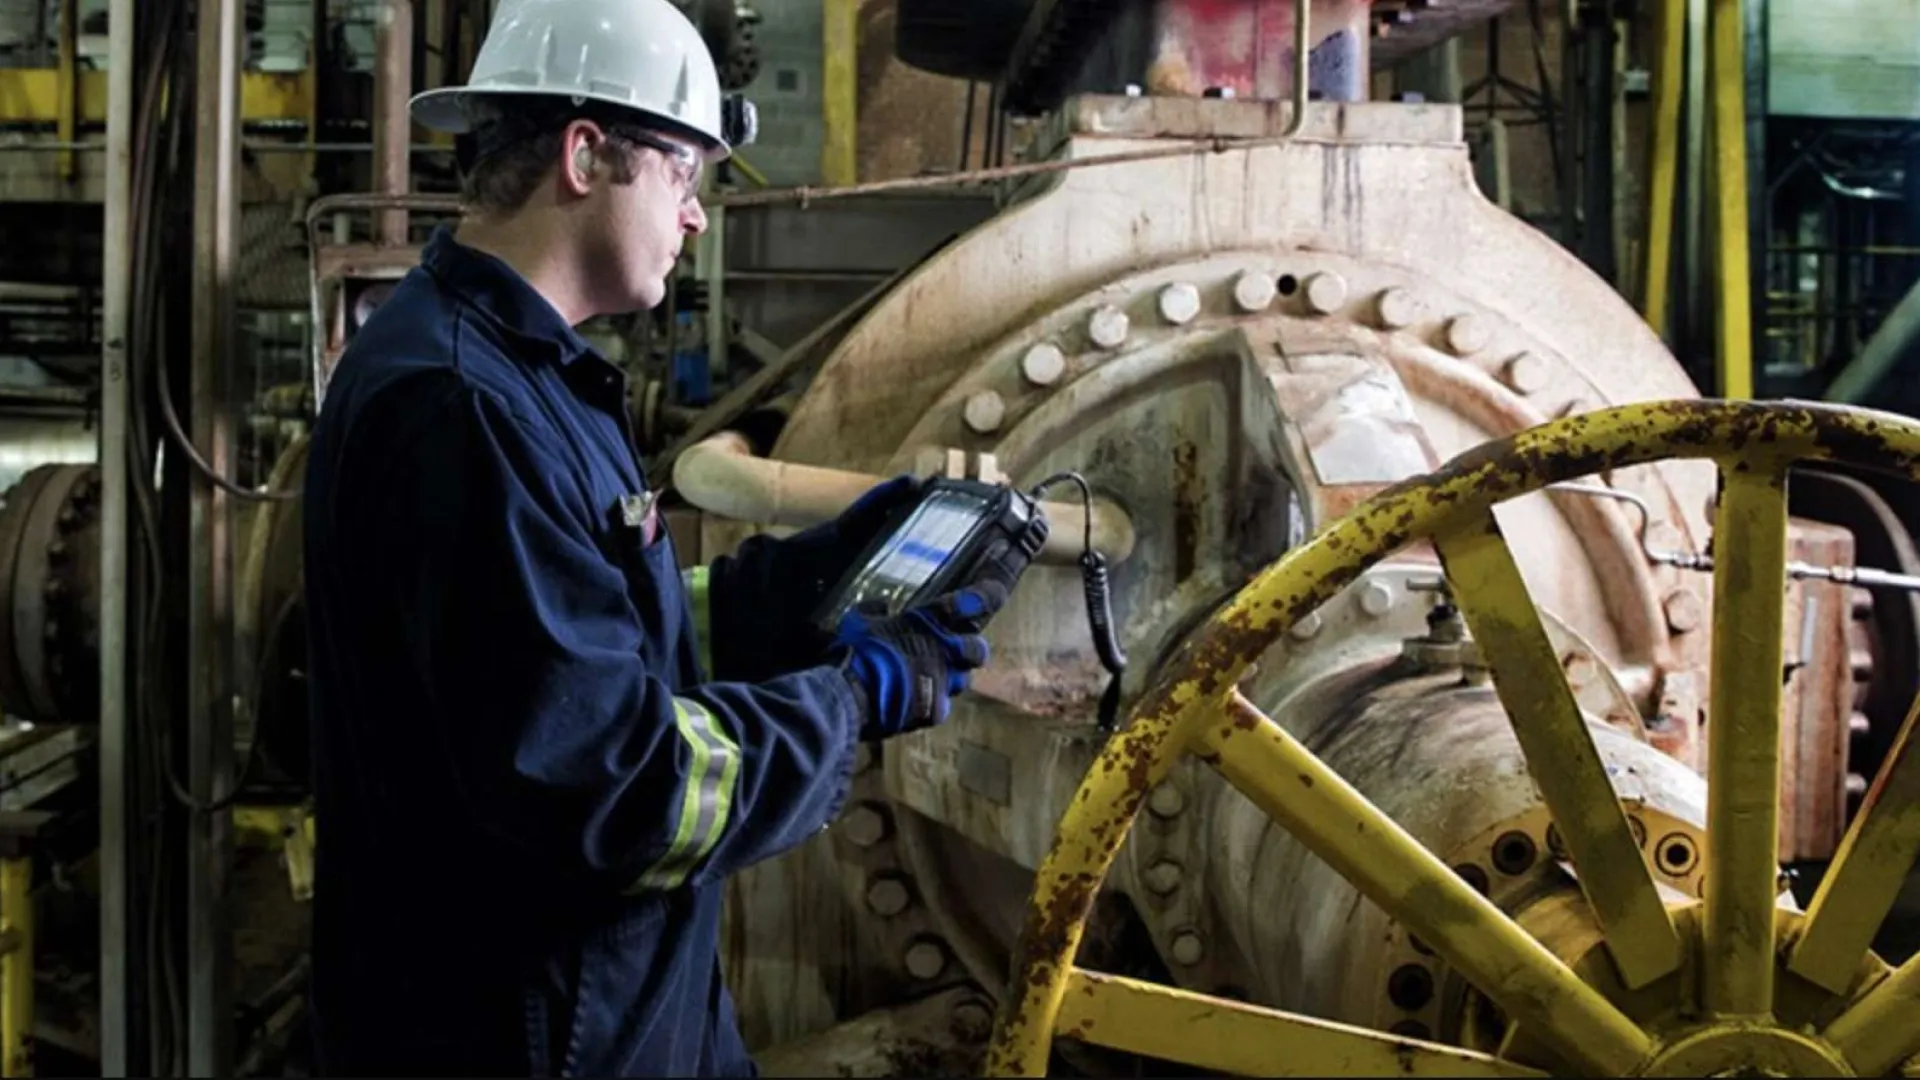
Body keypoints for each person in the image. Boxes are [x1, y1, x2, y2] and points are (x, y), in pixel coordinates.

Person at [299, 0, 1039, 1075]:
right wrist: (850, 699)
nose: (696, 219)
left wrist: (798, 587)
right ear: (587, 156)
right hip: (523, 1034)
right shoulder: (462, 410)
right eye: (685, 175)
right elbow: (613, 786)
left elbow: (576, 639)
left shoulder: (519, 375)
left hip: (615, 1015)